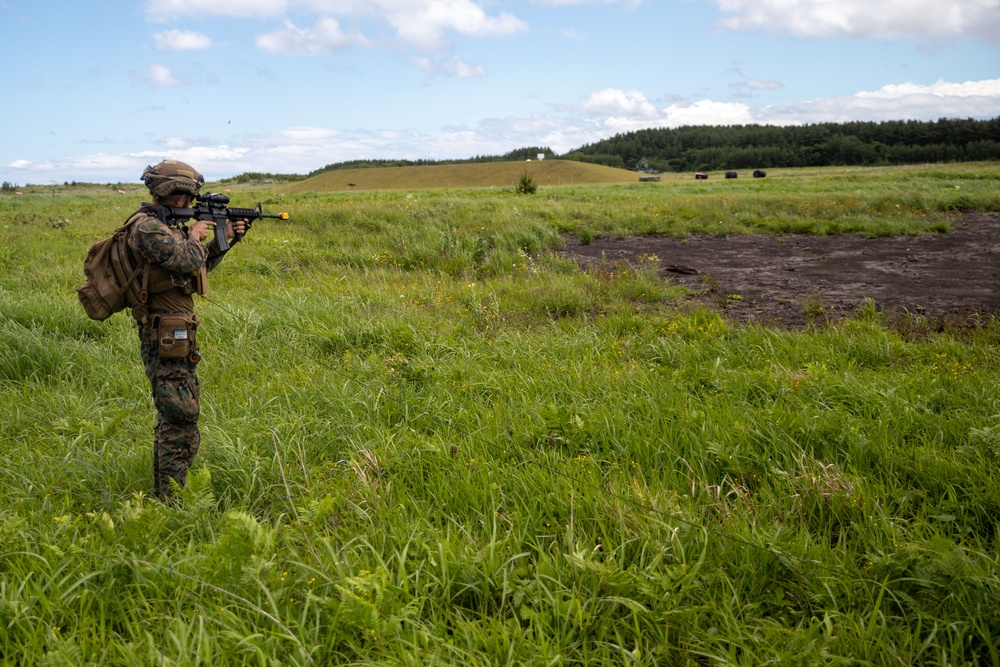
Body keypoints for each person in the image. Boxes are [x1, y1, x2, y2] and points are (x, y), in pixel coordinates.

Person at [129, 160, 247, 500]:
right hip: (164, 332)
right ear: (176, 194)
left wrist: (228, 240)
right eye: (187, 196)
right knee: (180, 411)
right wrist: (195, 234)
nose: (190, 203)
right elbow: (184, 260)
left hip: (177, 328)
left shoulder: (166, 230)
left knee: (181, 409)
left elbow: (195, 269)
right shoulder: (147, 228)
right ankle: (168, 496)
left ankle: (173, 489)